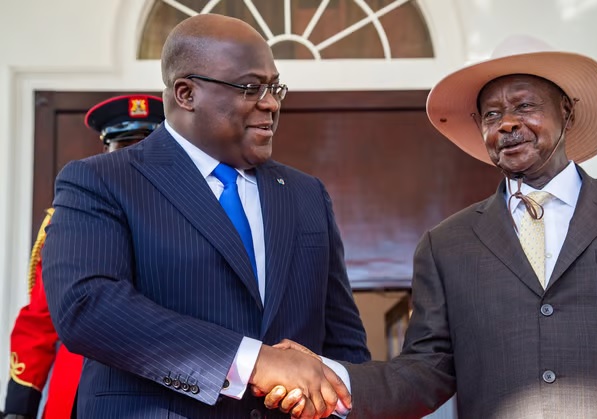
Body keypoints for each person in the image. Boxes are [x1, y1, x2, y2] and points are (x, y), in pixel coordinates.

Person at [268, 35, 597, 418]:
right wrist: (332, 377)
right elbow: (425, 371)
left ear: (567, 112)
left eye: (525, 106)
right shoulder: (445, 245)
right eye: (492, 114)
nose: (507, 124)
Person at [41, 14, 369, 419]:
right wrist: (254, 361)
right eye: (250, 87)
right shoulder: (102, 180)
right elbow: (88, 307)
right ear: (186, 93)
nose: (270, 103)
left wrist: (339, 403)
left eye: (274, 87)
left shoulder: (307, 194)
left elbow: (344, 342)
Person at [2, 94, 165, 419]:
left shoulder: (194, 214)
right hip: (79, 389)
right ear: (106, 152)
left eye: (145, 148)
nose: (134, 160)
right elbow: (41, 319)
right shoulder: (71, 218)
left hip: (167, 388)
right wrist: (20, 407)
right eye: (124, 148)